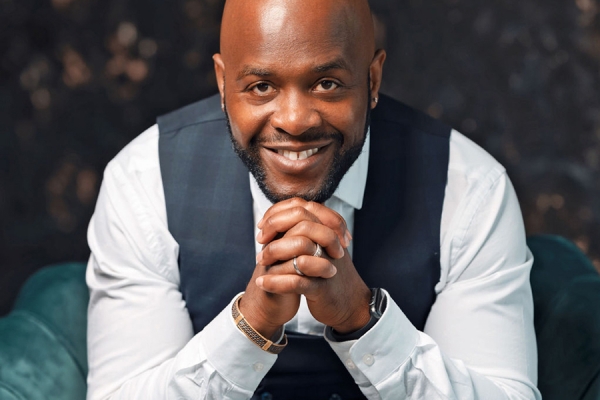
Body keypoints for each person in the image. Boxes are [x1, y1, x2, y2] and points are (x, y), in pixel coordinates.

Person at [85, 0, 541, 398]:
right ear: (223, 84)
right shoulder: (144, 181)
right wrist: (250, 324)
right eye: (261, 87)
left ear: (373, 80)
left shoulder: (469, 189)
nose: (295, 120)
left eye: (327, 83)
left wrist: (362, 319)